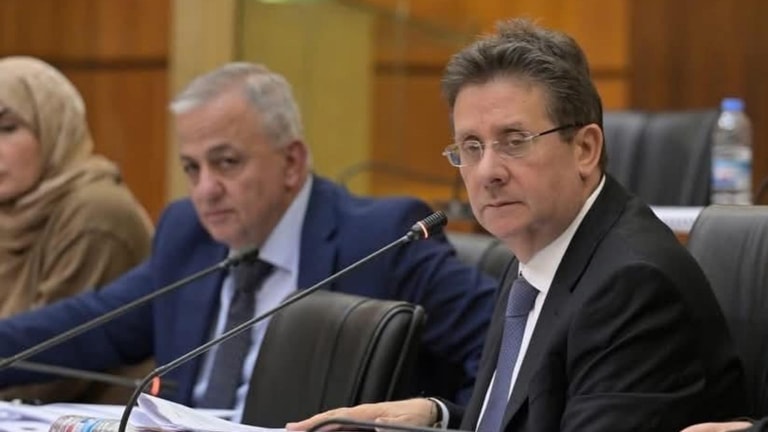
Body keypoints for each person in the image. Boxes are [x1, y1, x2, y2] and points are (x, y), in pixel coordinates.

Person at [286, 18, 746, 432]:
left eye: (514, 140)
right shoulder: (535, 252)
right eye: (471, 146)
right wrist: (437, 418)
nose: (487, 172)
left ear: (584, 149)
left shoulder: (632, 285)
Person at [0, 62, 496, 419]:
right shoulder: (189, 234)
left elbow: (503, 343)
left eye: (226, 163)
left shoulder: (381, 239)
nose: (205, 189)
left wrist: (441, 417)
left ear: (292, 162)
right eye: (192, 168)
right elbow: (91, 325)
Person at [0, 56, 154, 403]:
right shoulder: (10, 208)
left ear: (54, 127)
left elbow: (53, 366)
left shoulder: (96, 212)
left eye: (7, 128)